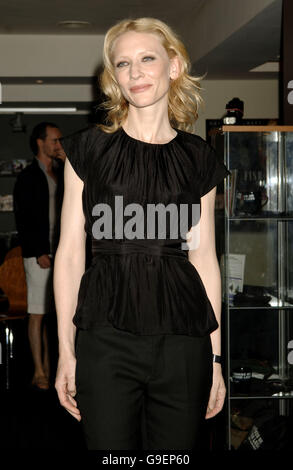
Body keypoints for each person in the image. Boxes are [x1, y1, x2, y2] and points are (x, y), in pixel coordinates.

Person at [54, 17, 229, 450]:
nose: (135, 72)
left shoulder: (198, 158)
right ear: (113, 76)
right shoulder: (89, 149)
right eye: (123, 63)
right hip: (106, 336)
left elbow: (204, 259)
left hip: (184, 341)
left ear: (173, 66)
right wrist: (65, 350)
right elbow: (72, 253)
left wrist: (216, 357)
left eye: (147, 58)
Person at [14, 122, 65, 390]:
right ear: (40, 143)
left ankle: (53, 365)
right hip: (39, 254)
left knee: (55, 312)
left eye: (60, 141)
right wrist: (38, 252)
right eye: (54, 141)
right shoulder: (27, 177)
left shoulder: (61, 173)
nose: (58, 145)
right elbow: (24, 219)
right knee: (37, 312)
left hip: (62, 252)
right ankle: (38, 370)